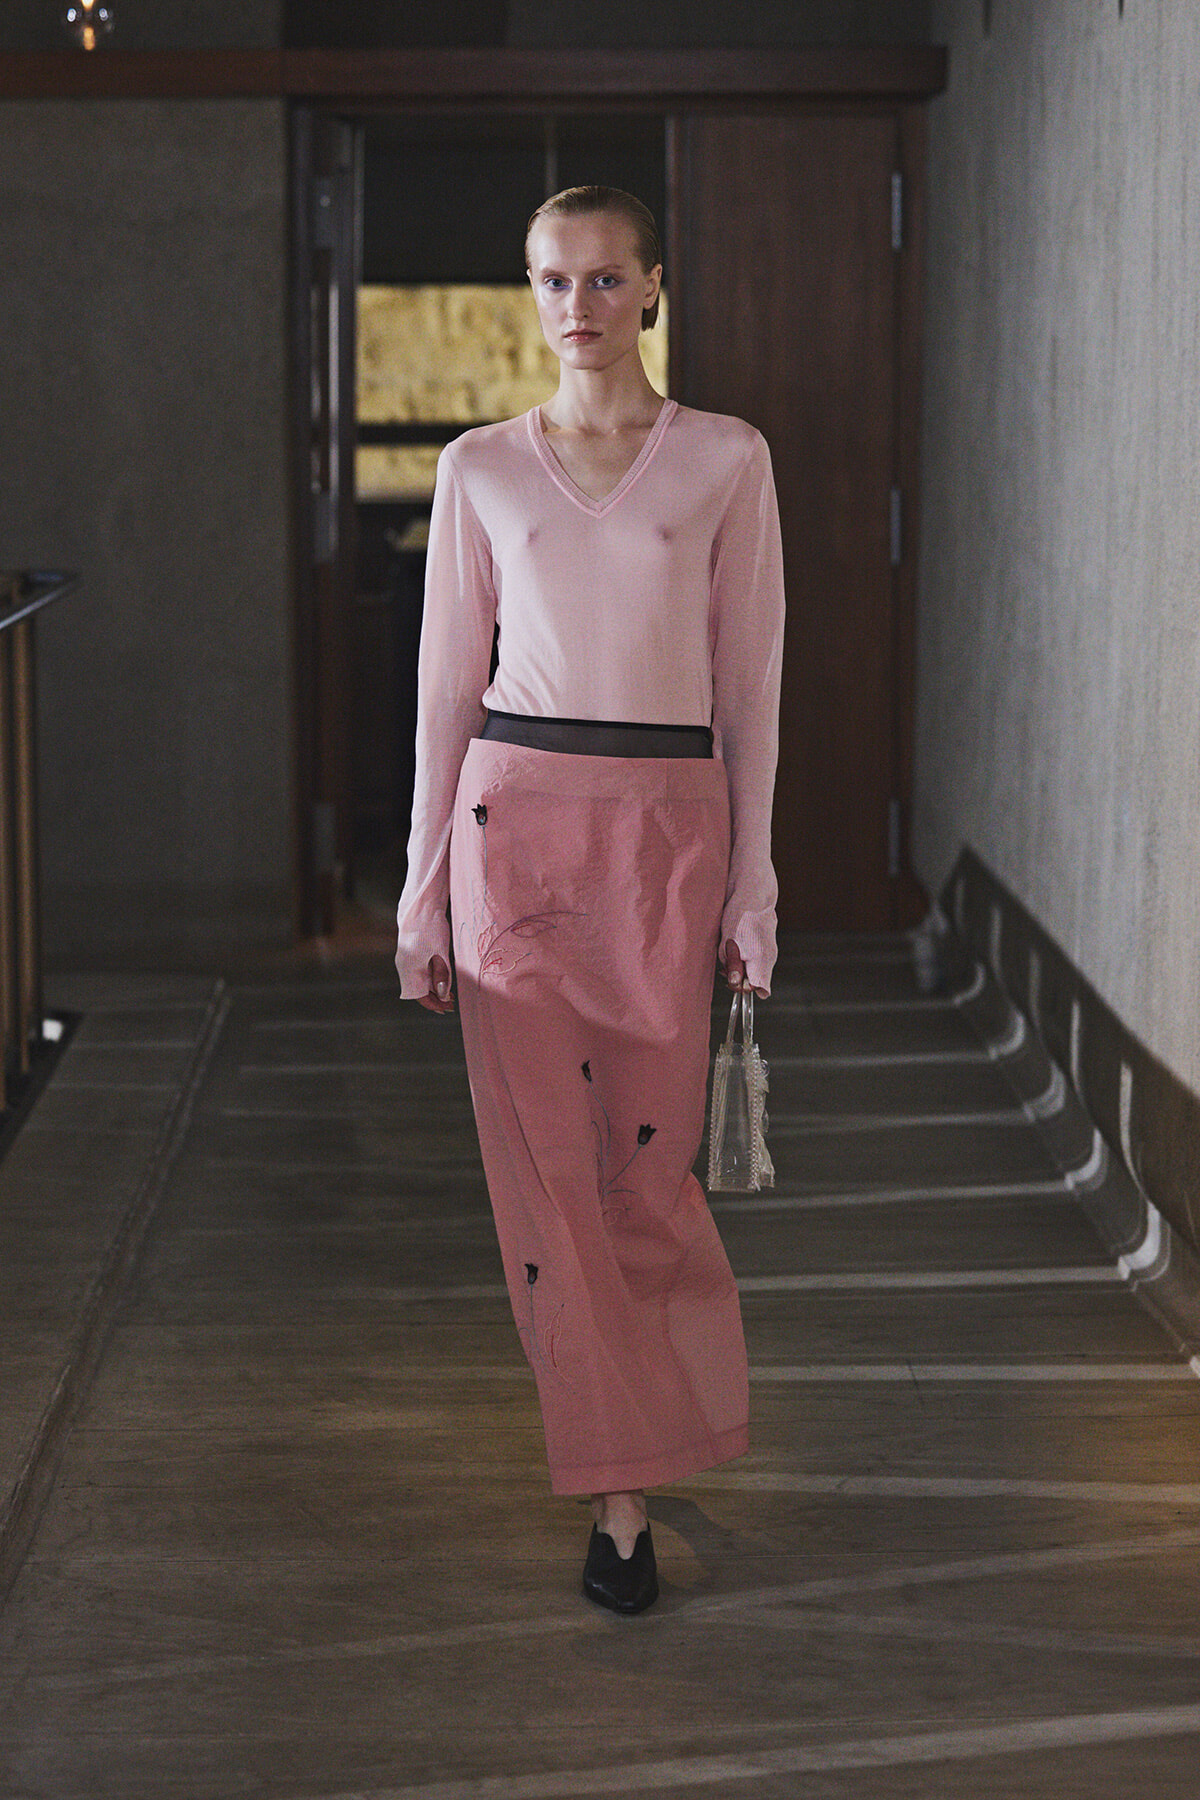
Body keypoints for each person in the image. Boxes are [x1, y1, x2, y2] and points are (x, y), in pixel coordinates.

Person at [395, 185, 785, 1615]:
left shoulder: (727, 462)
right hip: (516, 834)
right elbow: (445, 690)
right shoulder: (480, 471)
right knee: (546, 1180)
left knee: (648, 1168)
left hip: (666, 835)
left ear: (654, 289)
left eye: (607, 278)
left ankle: (651, 1432)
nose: (580, 306)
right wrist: (422, 889)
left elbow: (749, 690)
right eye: (554, 281)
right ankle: (621, 1501)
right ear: (533, 294)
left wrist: (754, 879)